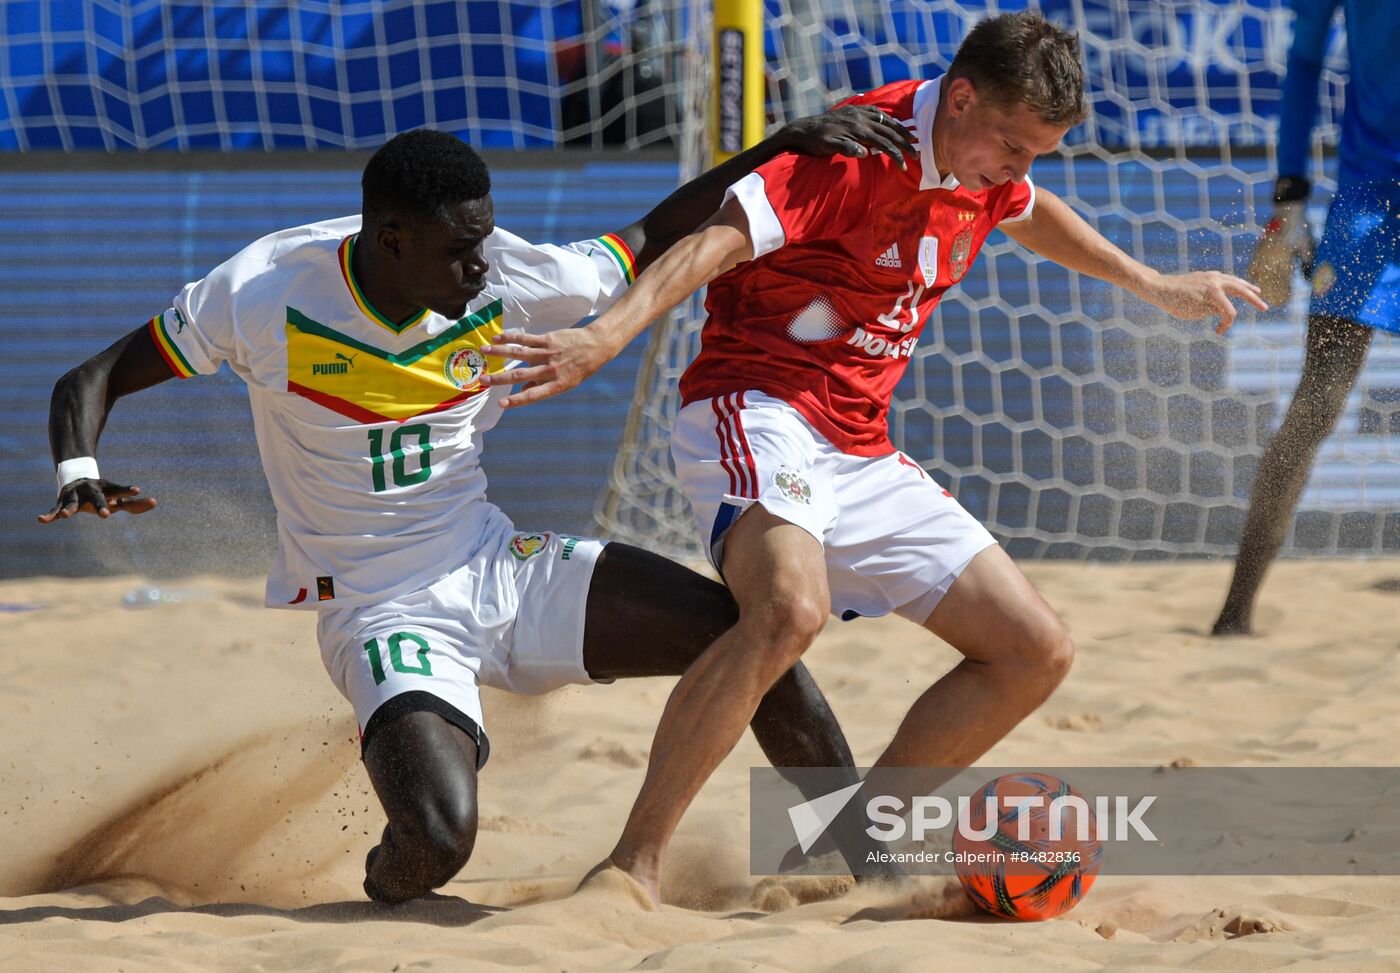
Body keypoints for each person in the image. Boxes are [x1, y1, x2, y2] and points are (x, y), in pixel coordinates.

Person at [482, 10, 1267, 906]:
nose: (1020, 169)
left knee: (1035, 649)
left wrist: (1155, 284)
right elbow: (714, 241)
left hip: (859, 444)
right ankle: (631, 864)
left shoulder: (989, 164)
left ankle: (845, 845)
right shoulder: (859, 150)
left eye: (1038, 152)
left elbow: (1028, 209)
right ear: (960, 99)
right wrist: (603, 335)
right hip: (757, 405)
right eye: (1013, 145)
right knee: (787, 610)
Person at [37, 111, 918, 904]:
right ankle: (385, 854)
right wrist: (79, 465)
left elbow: (652, 232)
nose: (483, 264)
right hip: (380, 607)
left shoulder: (510, 278)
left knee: (754, 634)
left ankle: (854, 864)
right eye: (461, 249)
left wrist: (782, 144)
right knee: (438, 838)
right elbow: (96, 374)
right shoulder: (266, 291)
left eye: (486, 240)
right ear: (389, 241)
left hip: (497, 561)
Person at [1211, 0, 1399, 636]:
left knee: (1312, 410)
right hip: (1369, 205)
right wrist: (1288, 199)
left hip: (1368, 203)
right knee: (1314, 408)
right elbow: (1305, 61)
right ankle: (1235, 614)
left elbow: (1307, 62)